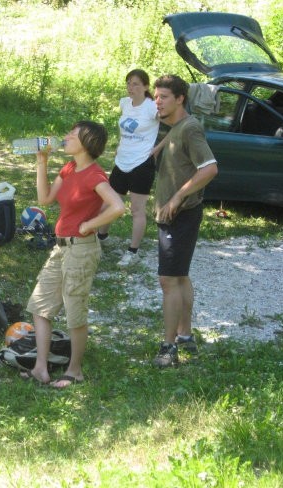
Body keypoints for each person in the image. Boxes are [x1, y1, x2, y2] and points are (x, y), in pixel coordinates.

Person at [20, 121, 125, 387]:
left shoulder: (94, 175)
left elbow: (117, 206)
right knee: (40, 305)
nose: (65, 137)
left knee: (74, 310)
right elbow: (44, 199)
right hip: (61, 247)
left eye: (72, 135)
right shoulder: (69, 169)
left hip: (82, 249)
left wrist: (90, 225)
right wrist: (41, 161)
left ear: (87, 143)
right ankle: (40, 369)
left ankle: (74, 370)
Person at [152, 75, 218, 367]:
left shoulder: (190, 129)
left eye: (164, 96)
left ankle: (169, 348)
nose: (158, 101)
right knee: (180, 276)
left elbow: (210, 169)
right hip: (175, 214)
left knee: (169, 281)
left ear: (180, 99)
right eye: (156, 96)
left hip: (180, 214)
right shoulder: (176, 127)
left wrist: (177, 197)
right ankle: (186, 336)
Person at [98, 69, 160, 267]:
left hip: (142, 163)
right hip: (122, 161)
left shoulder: (152, 107)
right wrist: (119, 145)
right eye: (128, 83)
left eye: (135, 84)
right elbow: (125, 129)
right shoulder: (125, 103)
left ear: (145, 87)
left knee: (136, 210)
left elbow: (178, 125)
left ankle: (133, 252)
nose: (131, 88)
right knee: (108, 203)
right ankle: (101, 238)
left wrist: (158, 148)